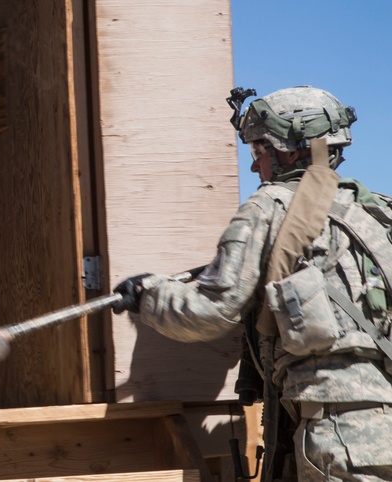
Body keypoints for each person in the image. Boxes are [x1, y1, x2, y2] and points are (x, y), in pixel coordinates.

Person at [114, 86, 392, 481]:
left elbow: (210, 311)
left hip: (341, 434)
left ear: (290, 152)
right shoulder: (378, 211)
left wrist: (146, 295)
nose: (252, 168)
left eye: (257, 153)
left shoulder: (271, 207)